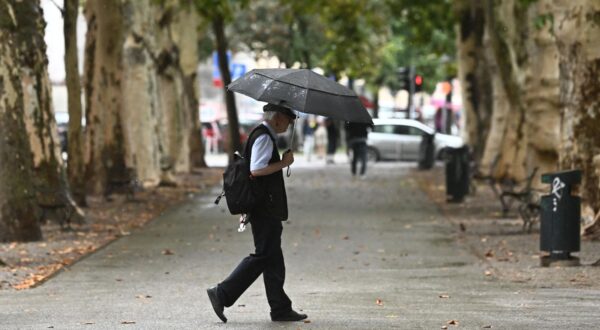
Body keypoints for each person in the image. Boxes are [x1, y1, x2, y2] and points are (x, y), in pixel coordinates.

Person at [207, 103, 307, 323]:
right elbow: (256, 170)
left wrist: (281, 160)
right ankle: (222, 293)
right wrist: (283, 162)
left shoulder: (262, 134)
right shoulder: (263, 136)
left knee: (273, 258)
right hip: (263, 206)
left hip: (264, 205)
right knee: (264, 255)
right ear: (279, 118)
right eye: (289, 121)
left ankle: (280, 308)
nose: (289, 125)